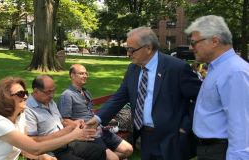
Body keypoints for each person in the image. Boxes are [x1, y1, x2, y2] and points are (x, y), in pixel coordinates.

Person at [86, 27, 202, 160]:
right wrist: (97, 119)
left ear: (148, 48)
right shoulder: (133, 69)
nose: (128, 54)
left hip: (172, 139)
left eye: (132, 49)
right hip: (145, 138)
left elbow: (201, 98)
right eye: (127, 49)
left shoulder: (176, 68)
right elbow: (119, 97)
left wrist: (185, 127)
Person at [0, 77, 100, 160]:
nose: (26, 97)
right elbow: (34, 147)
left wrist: (44, 158)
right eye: (20, 94)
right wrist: (73, 135)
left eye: (25, 93)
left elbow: (25, 148)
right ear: (5, 97)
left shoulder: (19, 119)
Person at [185, 15, 249, 160]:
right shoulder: (217, 68)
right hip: (210, 149)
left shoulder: (235, 72)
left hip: (221, 151)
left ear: (214, 41)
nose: (190, 47)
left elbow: (242, 127)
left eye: (194, 42)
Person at [58, 64, 133, 160]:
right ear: (72, 75)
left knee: (128, 149)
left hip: (100, 129)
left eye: (86, 73)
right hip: (90, 134)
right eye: (81, 73)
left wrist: (101, 123)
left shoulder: (86, 92)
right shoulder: (67, 95)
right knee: (114, 158)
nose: (85, 76)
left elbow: (91, 114)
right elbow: (65, 121)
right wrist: (84, 128)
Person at [25, 75, 107, 160]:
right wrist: (65, 132)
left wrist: (74, 124)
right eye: (48, 92)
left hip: (66, 142)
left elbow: (60, 121)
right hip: (50, 150)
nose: (52, 95)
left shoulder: (50, 102)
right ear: (35, 91)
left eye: (53, 91)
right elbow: (32, 141)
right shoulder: (28, 109)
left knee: (99, 151)